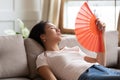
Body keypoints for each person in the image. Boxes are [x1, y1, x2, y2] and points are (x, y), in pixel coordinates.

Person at [29, 19, 120, 80]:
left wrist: (101, 34)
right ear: (43, 36)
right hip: (86, 76)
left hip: (103, 70)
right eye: (53, 28)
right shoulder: (43, 57)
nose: (58, 30)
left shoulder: (73, 49)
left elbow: (101, 63)